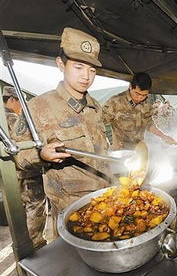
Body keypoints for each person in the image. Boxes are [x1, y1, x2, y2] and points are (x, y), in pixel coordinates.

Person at [13, 27, 112, 238]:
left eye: (92, 70)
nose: (86, 76)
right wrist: (40, 155)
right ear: (61, 64)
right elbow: (15, 156)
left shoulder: (95, 107)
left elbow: (102, 151)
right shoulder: (38, 108)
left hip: (105, 202)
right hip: (70, 212)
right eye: (78, 67)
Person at [2, 86, 46, 248]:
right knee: (35, 206)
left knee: (18, 210)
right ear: (12, 100)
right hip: (25, 173)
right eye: (20, 102)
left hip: (10, 174)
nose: (22, 106)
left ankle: (21, 242)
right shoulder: (12, 119)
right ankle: (34, 243)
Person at [103, 72, 177, 150]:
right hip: (122, 152)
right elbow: (98, 122)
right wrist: (104, 143)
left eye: (144, 95)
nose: (139, 98)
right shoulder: (115, 102)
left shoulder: (146, 103)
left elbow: (148, 123)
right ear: (130, 87)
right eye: (137, 94)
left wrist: (163, 136)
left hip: (140, 150)